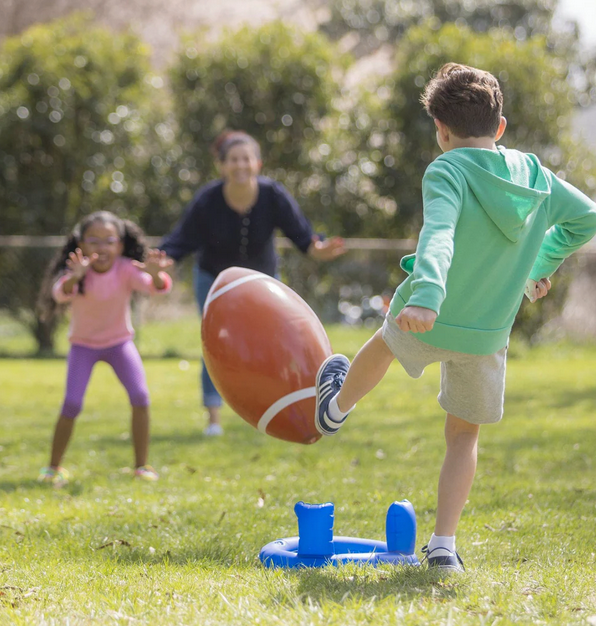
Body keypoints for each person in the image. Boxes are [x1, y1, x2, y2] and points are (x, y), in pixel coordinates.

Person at [313, 63, 596, 573]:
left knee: (382, 346)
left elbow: (437, 234)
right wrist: (540, 264)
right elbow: (586, 218)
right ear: (500, 126)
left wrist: (426, 294)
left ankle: (335, 408)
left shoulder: (447, 169)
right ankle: (443, 545)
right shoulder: (536, 176)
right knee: (463, 436)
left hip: (431, 315)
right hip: (486, 334)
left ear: (441, 131)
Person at [160, 130, 345, 436]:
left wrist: (319, 249)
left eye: (246, 159)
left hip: (263, 284)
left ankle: (277, 408)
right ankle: (214, 419)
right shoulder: (208, 200)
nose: (240, 165)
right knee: (215, 347)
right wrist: (163, 260)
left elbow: (303, 235)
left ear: (257, 163)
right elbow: (180, 241)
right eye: (233, 160)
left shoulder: (273, 195)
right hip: (215, 283)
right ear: (222, 166)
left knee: (278, 346)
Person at [37, 211, 173, 486]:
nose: (102, 247)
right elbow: (60, 292)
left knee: (140, 396)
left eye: (109, 241)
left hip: (119, 343)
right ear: (81, 244)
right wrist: (75, 277)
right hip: (83, 347)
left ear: (120, 246)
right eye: (94, 241)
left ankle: (141, 467)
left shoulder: (125, 268)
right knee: (72, 403)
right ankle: (52, 468)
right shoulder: (77, 271)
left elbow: (154, 288)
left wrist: (157, 276)